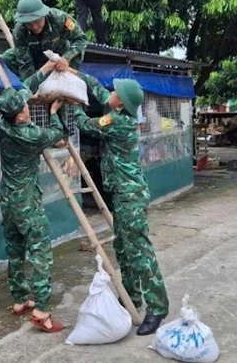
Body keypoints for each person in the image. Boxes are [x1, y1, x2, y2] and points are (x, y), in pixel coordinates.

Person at [67, 68, 169, 336]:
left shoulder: (117, 122)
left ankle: (158, 307)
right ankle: (132, 298)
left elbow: (85, 124)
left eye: (115, 92)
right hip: (122, 195)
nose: (109, 93)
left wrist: (71, 103)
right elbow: (99, 91)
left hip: (130, 196)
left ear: (120, 102)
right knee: (123, 249)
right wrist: (75, 73)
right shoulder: (118, 110)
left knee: (139, 251)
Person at [0, 59, 68, 333]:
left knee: (15, 250)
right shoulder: (30, 134)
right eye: (26, 107)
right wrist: (53, 110)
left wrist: (47, 66)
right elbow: (58, 134)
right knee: (40, 252)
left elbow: (24, 89)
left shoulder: (3, 122)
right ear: (21, 116)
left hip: (7, 199)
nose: (28, 105)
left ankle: (19, 299)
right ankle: (42, 310)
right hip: (26, 201)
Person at [11, 0, 89, 77]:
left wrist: (66, 58)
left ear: (43, 15)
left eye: (37, 21)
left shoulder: (60, 18)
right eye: (29, 24)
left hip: (62, 55)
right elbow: (25, 65)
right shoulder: (19, 32)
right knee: (9, 55)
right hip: (38, 58)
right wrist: (31, 84)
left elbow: (81, 39)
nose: (34, 27)